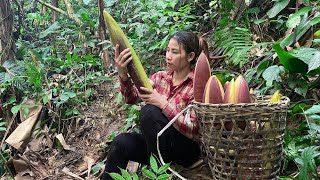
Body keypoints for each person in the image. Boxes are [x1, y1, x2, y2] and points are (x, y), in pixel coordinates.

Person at [101, 31, 209, 180]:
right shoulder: (159, 78)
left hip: (185, 150)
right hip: (158, 148)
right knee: (121, 142)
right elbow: (131, 98)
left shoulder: (196, 85)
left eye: (175, 52)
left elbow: (194, 129)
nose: (168, 56)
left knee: (149, 111)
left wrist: (162, 103)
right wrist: (123, 75)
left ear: (190, 56)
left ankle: (157, 175)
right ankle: (155, 169)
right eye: (167, 50)